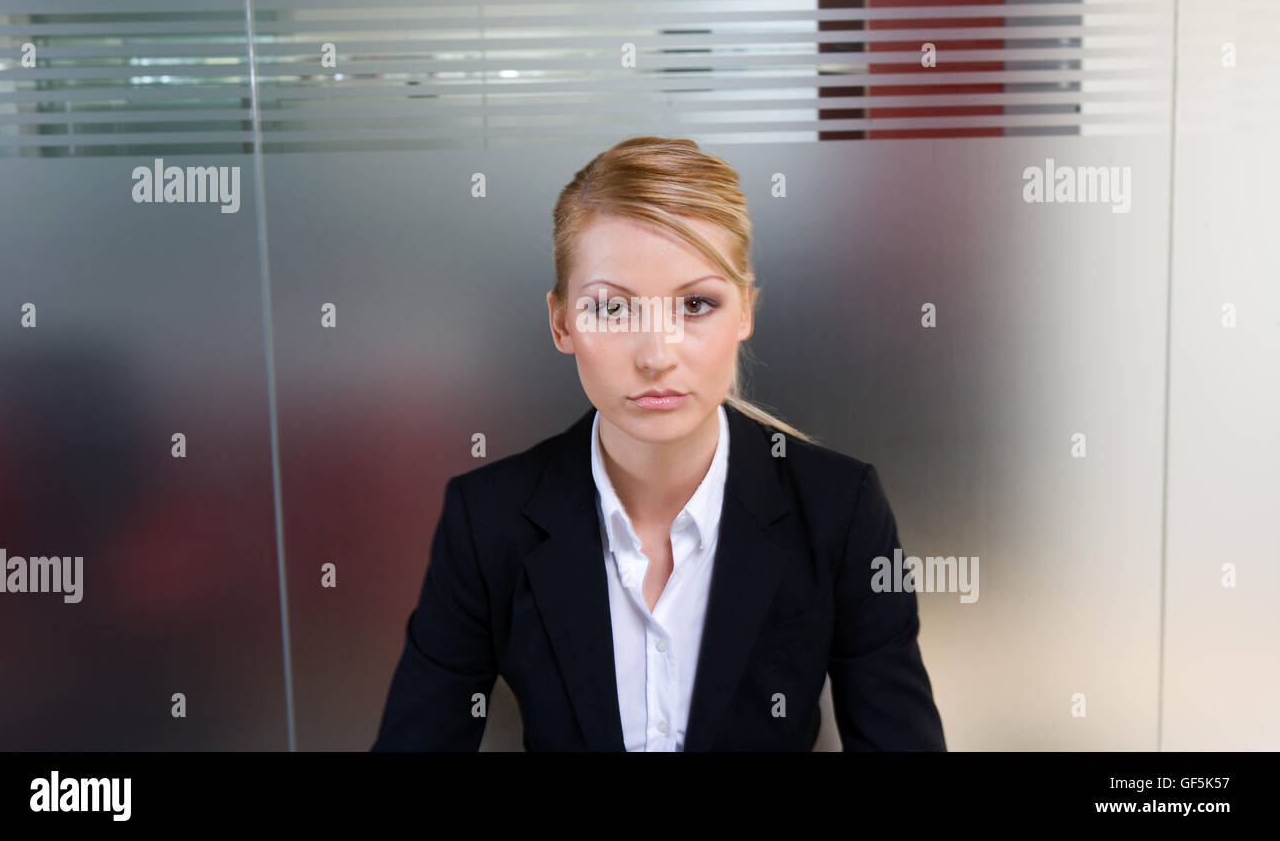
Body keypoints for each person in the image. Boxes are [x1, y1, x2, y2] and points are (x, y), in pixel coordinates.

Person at [372, 136, 945, 751]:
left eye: (697, 304)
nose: (655, 356)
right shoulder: (486, 520)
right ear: (561, 322)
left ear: (745, 312)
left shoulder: (840, 509)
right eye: (613, 310)